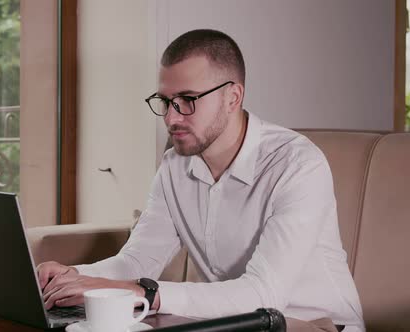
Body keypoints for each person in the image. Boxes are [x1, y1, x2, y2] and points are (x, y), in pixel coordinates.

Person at [37, 29, 365, 332]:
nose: (171, 117)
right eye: (165, 101)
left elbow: (264, 293)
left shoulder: (297, 164)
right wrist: (75, 276)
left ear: (233, 97)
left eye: (188, 100)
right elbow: (137, 261)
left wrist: (143, 293)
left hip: (316, 325)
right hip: (234, 324)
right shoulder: (174, 166)